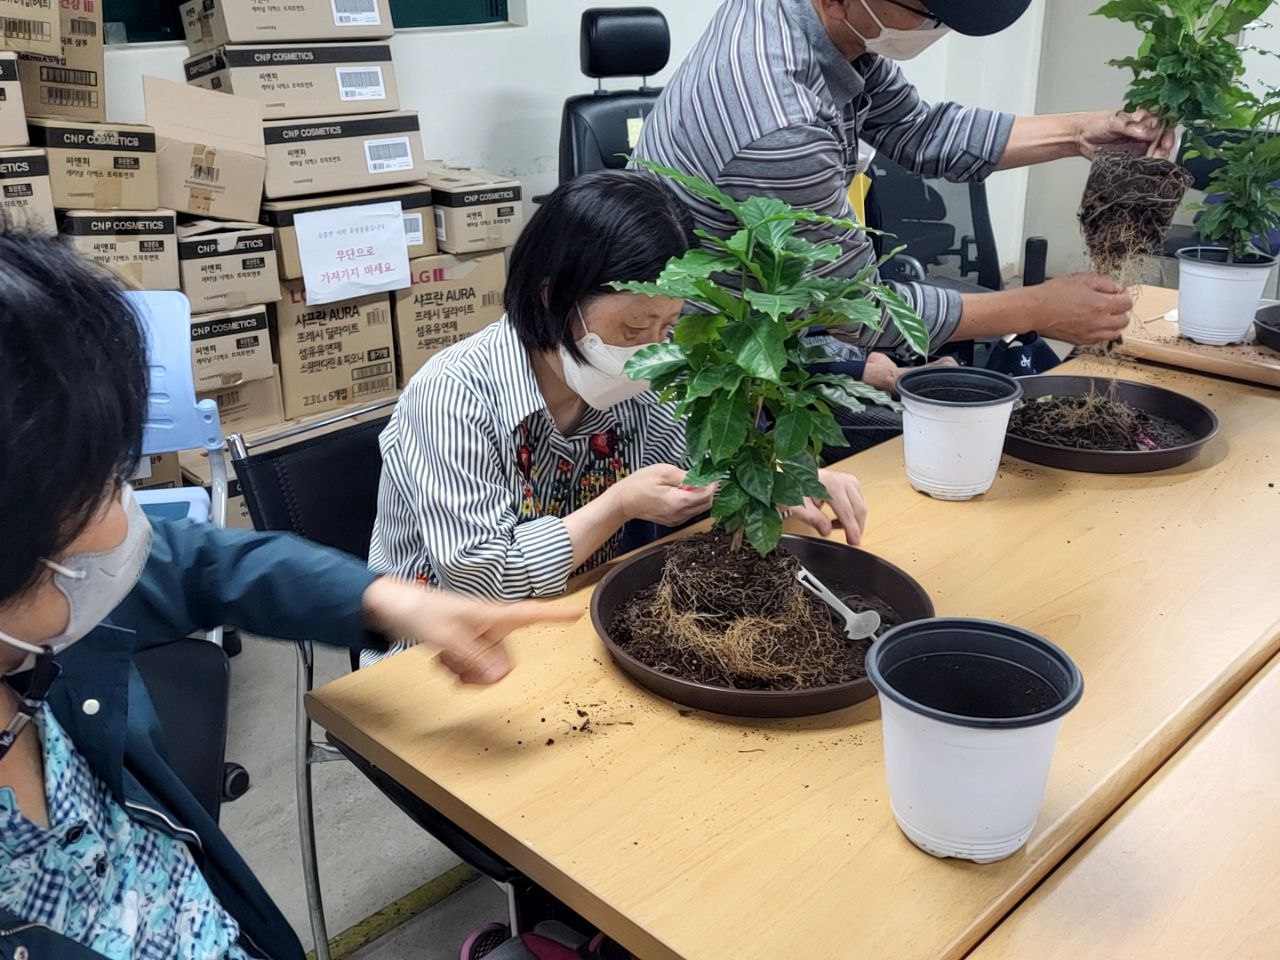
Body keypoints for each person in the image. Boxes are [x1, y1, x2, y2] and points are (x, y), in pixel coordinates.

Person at [0, 232, 576, 960]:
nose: (124, 522)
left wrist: (393, 601)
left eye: (113, 478)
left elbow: (192, 562)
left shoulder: (40, 640)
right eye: (81, 510)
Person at [366, 169, 869, 665]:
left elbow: (705, 465)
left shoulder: (647, 378)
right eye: (632, 328)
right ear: (552, 297)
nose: (652, 350)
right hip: (448, 653)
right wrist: (617, 506)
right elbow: (480, 575)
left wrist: (783, 479)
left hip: (579, 619)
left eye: (668, 325)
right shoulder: (453, 395)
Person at [634, 0, 1169, 391]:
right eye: (927, 12)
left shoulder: (819, 23)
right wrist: (1035, 308)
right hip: (714, 360)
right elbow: (862, 309)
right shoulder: (779, 127)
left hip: (791, 323)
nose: (938, 29)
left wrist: (1079, 133)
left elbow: (919, 130)